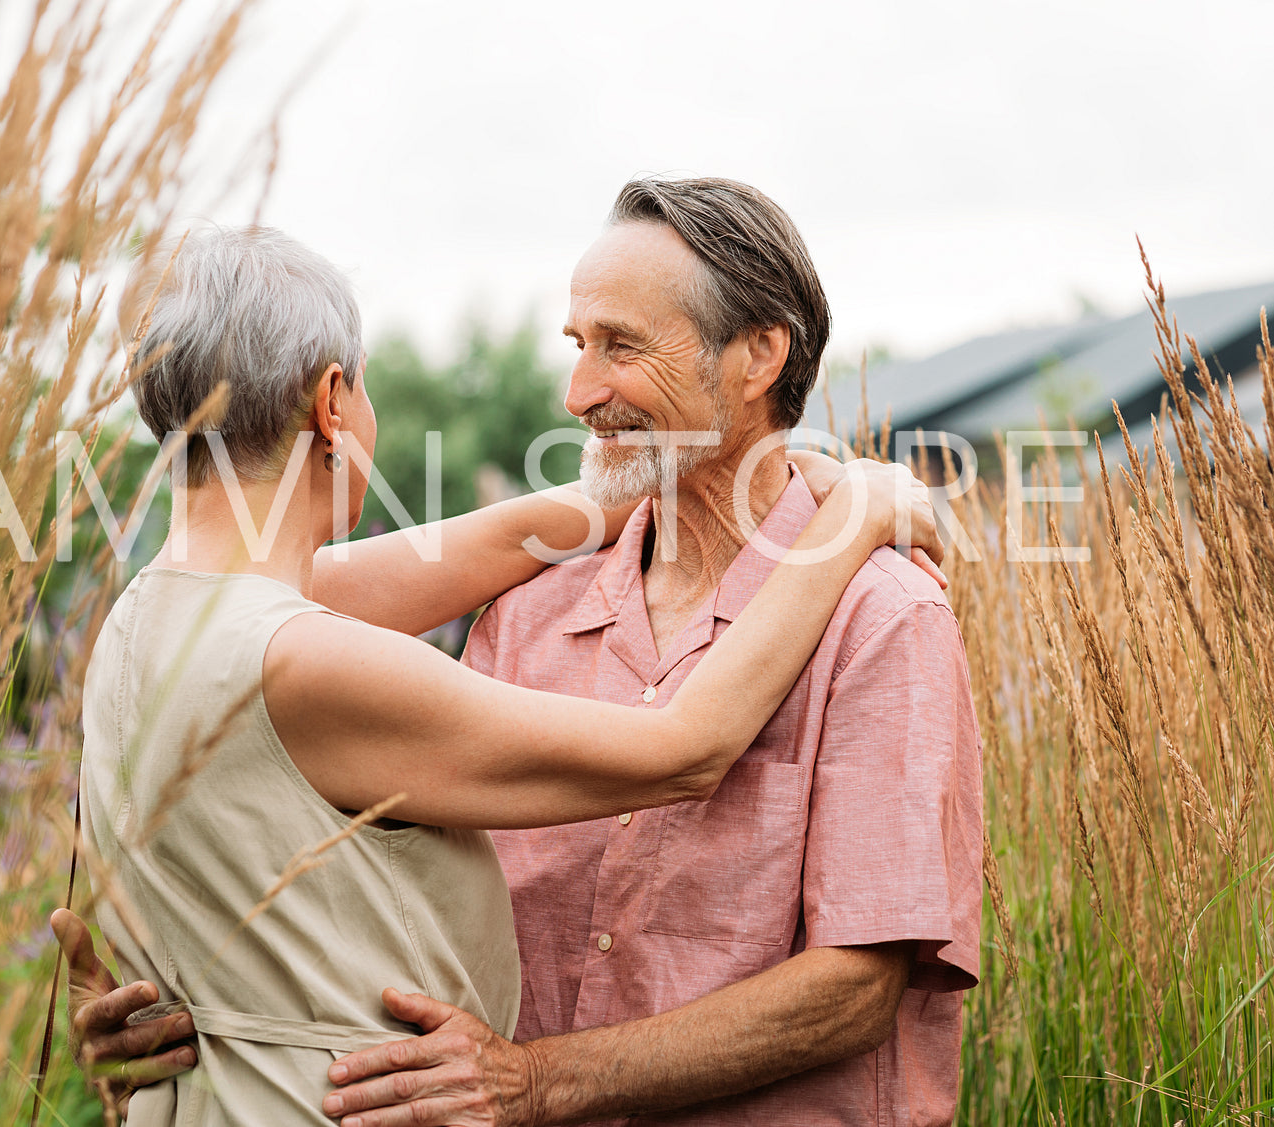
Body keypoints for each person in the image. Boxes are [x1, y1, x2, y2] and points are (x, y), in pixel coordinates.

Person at [57, 221, 943, 1125]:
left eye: (619, 345)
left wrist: (761, 469)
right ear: (332, 403)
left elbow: (453, 553)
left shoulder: (147, 623)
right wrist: (858, 512)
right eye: (579, 346)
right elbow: (686, 746)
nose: (576, 390)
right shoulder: (316, 654)